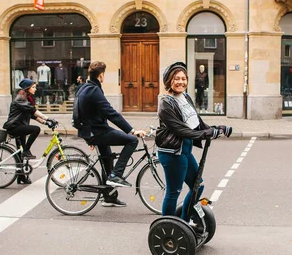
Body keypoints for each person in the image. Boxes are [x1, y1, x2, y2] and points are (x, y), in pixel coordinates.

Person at [156, 61, 229, 223]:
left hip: (185, 150)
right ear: (169, 80)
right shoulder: (165, 103)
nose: (181, 82)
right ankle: (167, 226)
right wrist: (205, 134)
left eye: (183, 78)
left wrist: (218, 128)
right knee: (174, 191)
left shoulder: (186, 97)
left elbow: (196, 122)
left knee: (198, 185)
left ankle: (184, 220)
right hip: (172, 152)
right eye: (176, 78)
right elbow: (180, 130)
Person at [74, 61, 146, 207]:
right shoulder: (94, 90)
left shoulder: (85, 88)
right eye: (104, 74)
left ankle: (109, 197)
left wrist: (88, 137)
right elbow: (111, 113)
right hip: (98, 131)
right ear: (101, 76)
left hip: (94, 131)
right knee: (132, 140)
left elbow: (80, 113)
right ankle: (116, 175)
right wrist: (132, 130)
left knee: (107, 162)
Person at [3, 78, 51, 184]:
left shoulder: (27, 98)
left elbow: (31, 114)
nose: (35, 89)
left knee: (21, 154)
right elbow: (33, 111)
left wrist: (45, 122)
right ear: (27, 88)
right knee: (35, 130)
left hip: (20, 126)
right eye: (33, 87)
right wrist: (47, 118)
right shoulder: (21, 98)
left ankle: (21, 177)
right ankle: (26, 151)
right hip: (15, 127)